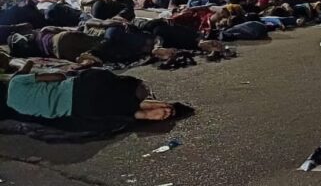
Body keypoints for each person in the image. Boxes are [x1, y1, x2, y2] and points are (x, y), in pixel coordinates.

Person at [2, 67, 191, 122]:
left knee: (108, 109)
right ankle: (141, 100)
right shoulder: (16, 82)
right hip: (80, 87)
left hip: (80, 110)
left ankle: (138, 113)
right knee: (105, 77)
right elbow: (59, 76)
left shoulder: (16, 108)